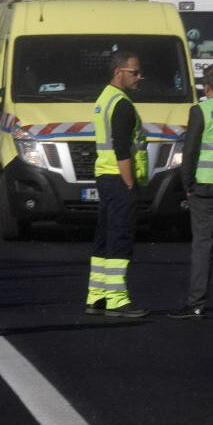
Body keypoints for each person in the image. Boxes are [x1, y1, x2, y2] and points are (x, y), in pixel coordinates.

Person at [169, 65, 213, 319]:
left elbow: (190, 151)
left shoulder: (201, 110)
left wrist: (187, 184)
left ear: (206, 87)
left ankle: (196, 304)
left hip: (205, 189)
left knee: (202, 246)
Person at [84, 51, 149, 318]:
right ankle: (117, 299)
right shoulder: (122, 104)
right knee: (120, 238)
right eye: (134, 72)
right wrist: (131, 183)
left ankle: (96, 295)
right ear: (119, 72)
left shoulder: (104, 99)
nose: (139, 77)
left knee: (104, 236)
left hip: (105, 175)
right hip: (119, 178)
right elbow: (122, 148)